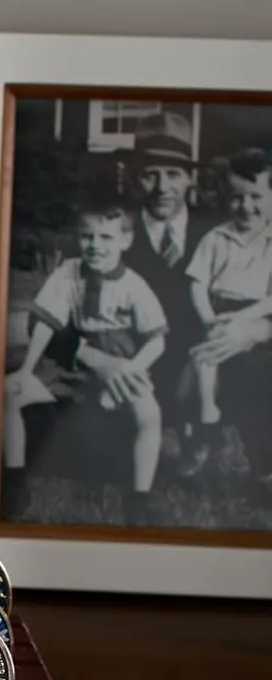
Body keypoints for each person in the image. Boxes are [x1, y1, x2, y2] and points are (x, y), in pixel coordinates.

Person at [3, 200, 168, 526]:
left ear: (125, 240)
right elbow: (46, 324)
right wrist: (26, 369)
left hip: (119, 361)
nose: (94, 246)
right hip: (69, 360)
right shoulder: (68, 272)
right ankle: (13, 479)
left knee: (150, 415)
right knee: (10, 391)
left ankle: (140, 497)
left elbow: (157, 339)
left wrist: (132, 370)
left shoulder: (134, 285)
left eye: (106, 237)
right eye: (87, 236)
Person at [180, 147, 272, 478]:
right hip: (216, 311)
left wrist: (248, 320)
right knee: (205, 354)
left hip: (257, 315)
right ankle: (207, 420)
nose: (245, 206)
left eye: (256, 196)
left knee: (254, 377)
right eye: (236, 197)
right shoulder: (216, 238)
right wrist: (209, 319)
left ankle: (262, 464)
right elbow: (197, 284)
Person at [122, 111, 214, 438]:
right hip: (136, 361)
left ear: (191, 178)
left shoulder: (216, 233)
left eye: (173, 174)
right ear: (134, 178)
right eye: (151, 175)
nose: (163, 188)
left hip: (202, 365)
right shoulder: (115, 234)